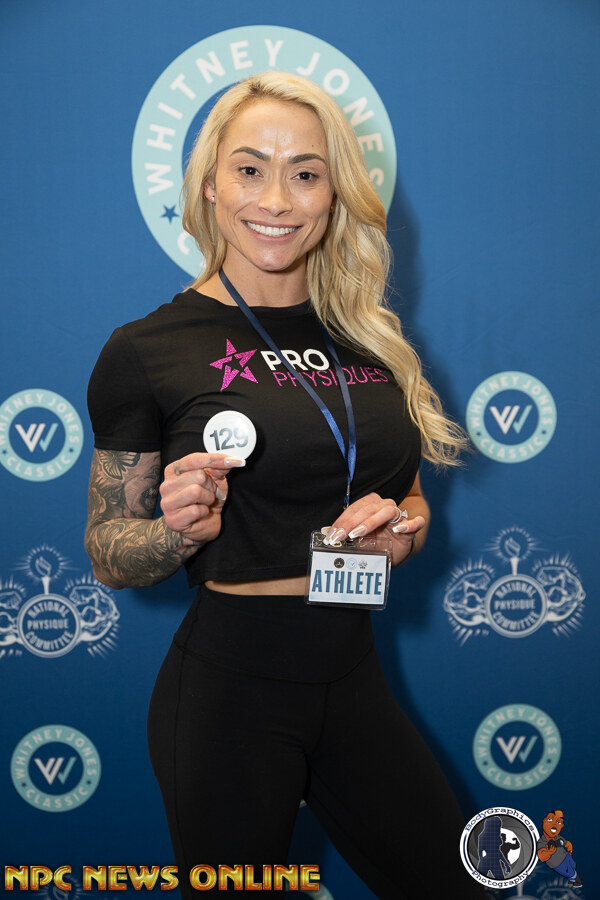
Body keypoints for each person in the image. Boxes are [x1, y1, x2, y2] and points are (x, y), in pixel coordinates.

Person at [85, 71, 484, 898]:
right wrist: (174, 531)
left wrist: (397, 537)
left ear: (334, 194)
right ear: (209, 184)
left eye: (306, 172)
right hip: (229, 693)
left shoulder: (371, 341)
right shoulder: (147, 349)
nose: (277, 198)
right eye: (250, 168)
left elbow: (408, 501)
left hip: (352, 675)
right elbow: (108, 552)